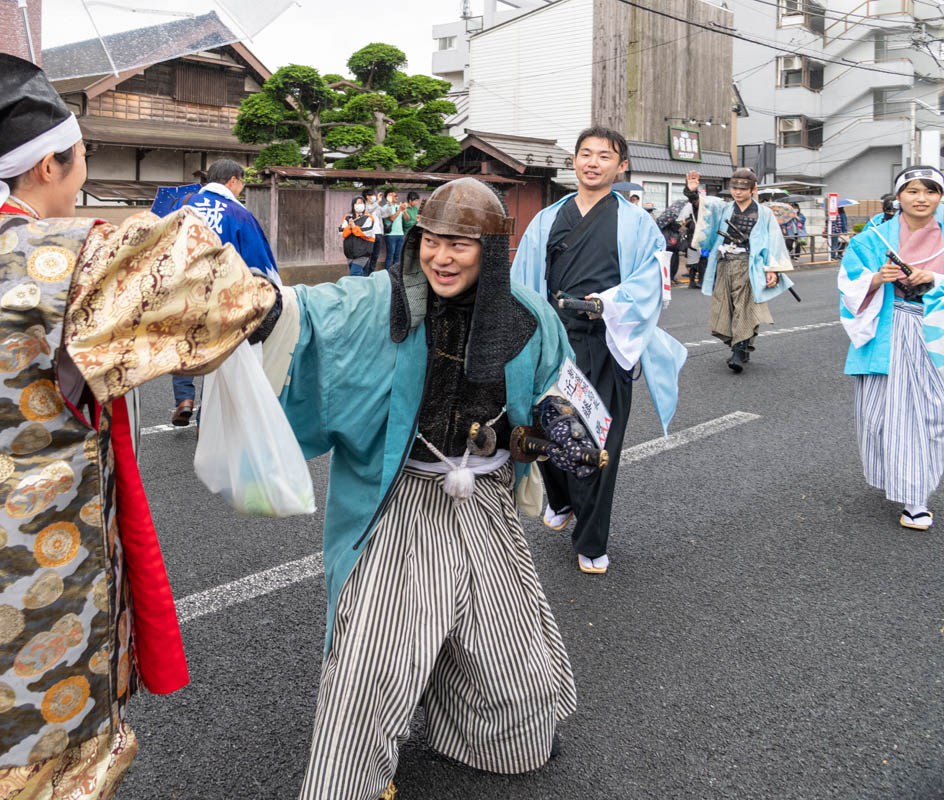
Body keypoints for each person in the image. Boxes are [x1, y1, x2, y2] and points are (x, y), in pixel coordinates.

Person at [0, 52, 276, 798]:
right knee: (18, 774)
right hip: (7, 582)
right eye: (81, 158)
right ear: (47, 167)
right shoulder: (67, 258)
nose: (82, 174)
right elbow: (226, 292)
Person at [255, 178, 579, 799]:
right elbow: (316, 310)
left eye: (460, 244)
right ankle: (345, 781)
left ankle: (495, 734)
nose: (441, 256)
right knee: (373, 656)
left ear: (492, 250)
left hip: (485, 504)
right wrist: (269, 309)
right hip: (403, 501)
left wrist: (556, 428)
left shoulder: (530, 317)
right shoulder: (380, 303)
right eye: (431, 240)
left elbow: (557, 393)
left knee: (509, 656)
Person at [513, 127, 686, 575]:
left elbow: (651, 286)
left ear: (620, 165)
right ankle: (562, 496)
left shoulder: (637, 223)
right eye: (585, 154)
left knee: (598, 441)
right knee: (545, 430)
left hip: (607, 343)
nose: (593, 162)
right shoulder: (547, 219)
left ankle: (590, 538)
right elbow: (524, 282)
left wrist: (605, 305)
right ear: (573, 162)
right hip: (554, 342)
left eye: (604, 156)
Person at [839, 165, 944, 531]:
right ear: (898, 197)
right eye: (913, 191)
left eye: (930, 191)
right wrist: (874, 280)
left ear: (940, 197)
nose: (921, 198)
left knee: (929, 414)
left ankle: (916, 494)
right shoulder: (873, 239)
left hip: (934, 333)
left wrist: (936, 278)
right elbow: (848, 284)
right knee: (884, 416)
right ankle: (905, 486)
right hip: (887, 331)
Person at [171, 159, 279, 427]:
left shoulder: (183, 204)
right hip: (220, 294)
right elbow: (259, 262)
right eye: (241, 182)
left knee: (185, 342)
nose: (241, 188)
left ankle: (184, 399)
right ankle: (204, 421)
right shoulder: (239, 214)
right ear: (232, 180)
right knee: (215, 353)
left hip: (183, 290)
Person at [685, 168, 794, 373]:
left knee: (744, 307)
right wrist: (692, 192)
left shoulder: (764, 214)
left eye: (742, 189)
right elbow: (704, 208)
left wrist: (773, 269)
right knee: (724, 307)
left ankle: (738, 351)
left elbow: (774, 241)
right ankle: (740, 345)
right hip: (724, 263)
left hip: (749, 265)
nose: (737, 192)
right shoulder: (724, 208)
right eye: (734, 187)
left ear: (753, 189)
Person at [339, 194, 377, 277]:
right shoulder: (347, 217)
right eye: (357, 203)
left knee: (354, 275)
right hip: (350, 254)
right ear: (353, 205)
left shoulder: (368, 217)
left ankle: (356, 290)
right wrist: (349, 227)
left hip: (363, 253)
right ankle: (366, 289)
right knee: (363, 276)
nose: (360, 205)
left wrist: (354, 227)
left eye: (362, 203)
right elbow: (342, 232)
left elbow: (368, 232)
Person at [363, 188, 389, 275]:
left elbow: (385, 214)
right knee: (367, 256)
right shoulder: (364, 206)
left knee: (375, 256)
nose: (374, 197)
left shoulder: (376, 205)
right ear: (367, 197)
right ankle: (365, 274)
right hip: (369, 235)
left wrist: (389, 203)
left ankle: (370, 273)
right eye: (372, 195)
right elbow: (369, 211)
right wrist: (377, 201)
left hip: (378, 234)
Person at [382, 190, 408, 270]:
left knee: (398, 255)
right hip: (390, 235)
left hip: (400, 234)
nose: (396, 197)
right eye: (393, 195)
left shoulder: (398, 206)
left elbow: (407, 219)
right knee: (390, 255)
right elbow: (392, 218)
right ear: (387, 197)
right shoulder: (385, 208)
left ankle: (396, 275)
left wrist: (404, 210)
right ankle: (387, 274)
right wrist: (400, 210)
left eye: (396, 195)